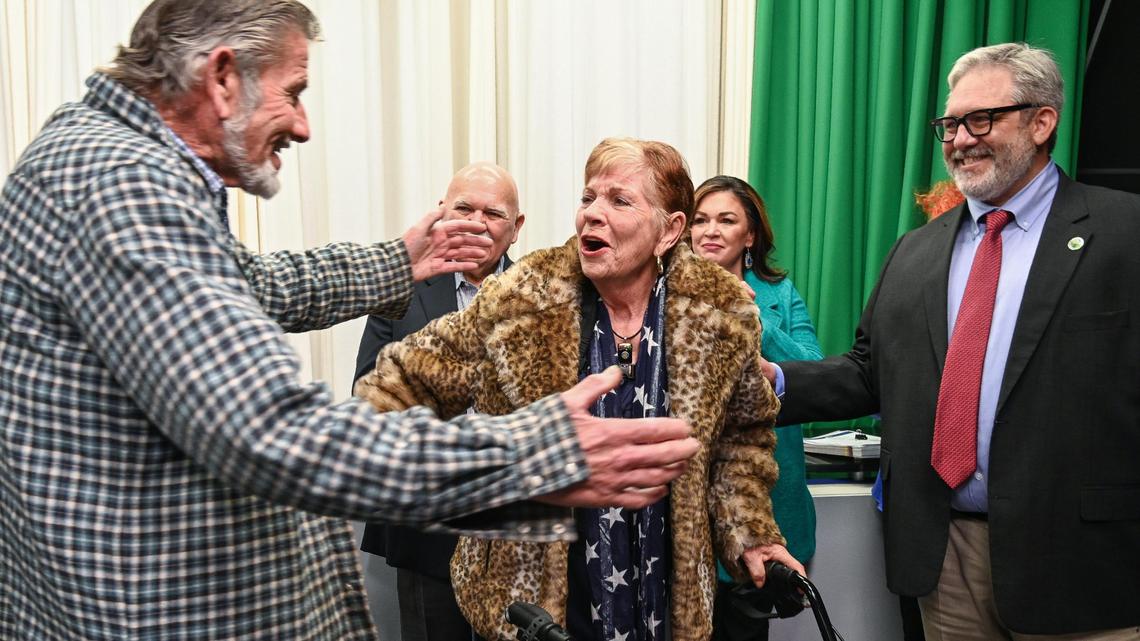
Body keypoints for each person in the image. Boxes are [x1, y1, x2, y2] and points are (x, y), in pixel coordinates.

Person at [0, 2, 701, 639]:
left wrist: (397, 259)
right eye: (294, 92)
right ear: (220, 77)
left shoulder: (101, 157)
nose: (302, 125)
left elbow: (251, 283)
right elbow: (275, 429)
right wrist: (535, 453)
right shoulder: (122, 186)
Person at [355, 137, 804, 641]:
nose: (592, 214)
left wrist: (749, 534)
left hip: (665, 603)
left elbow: (739, 442)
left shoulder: (720, 312)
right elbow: (390, 394)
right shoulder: (521, 300)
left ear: (670, 230)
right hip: (535, 609)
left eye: (619, 200)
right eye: (588, 197)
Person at [765, 42, 1140, 640]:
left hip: (1081, 562)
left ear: (1043, 121)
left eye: (981, 119)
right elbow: (869, 372)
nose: (960, 139)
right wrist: (777, 379)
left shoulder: (1124, 232)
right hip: (944, 557)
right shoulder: (916, 251)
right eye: (950, 123)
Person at [354, 161, 525, 641]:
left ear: (516, 229)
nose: (475, 222)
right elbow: (368, 390)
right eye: (463, 208)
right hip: (426, 520)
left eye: (492, 213)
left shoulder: (545, 296)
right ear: (440, 214)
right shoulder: (399, 289)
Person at [688, 175, 823, 641]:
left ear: (749, 236)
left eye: (726, 220)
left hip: (764, 500)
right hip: (690, 505)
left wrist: (755, 318)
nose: (710, 230)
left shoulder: (779, 296)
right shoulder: (665, 293)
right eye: (701, 219)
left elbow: (812, 372)